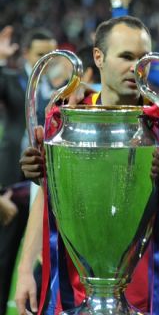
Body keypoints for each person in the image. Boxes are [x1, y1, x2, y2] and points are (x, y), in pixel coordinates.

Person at [15, 16, 155, 315]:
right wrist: (27, 269)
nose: (136, 68)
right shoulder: (71, 120)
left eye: (144, 59)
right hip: (74, 286)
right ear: (98, 57)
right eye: (126, 57)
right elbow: (48, 198)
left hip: (144, 289)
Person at [0, 26, 57, 315]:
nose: (45, 60)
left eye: (50, 54)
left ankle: (34, 306)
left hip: (41, 184)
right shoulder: (12, 78)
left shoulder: (58, 90)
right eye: (40, 54)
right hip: (11, 182)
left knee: (42, 254)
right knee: (4, 255)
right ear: (26, 54)